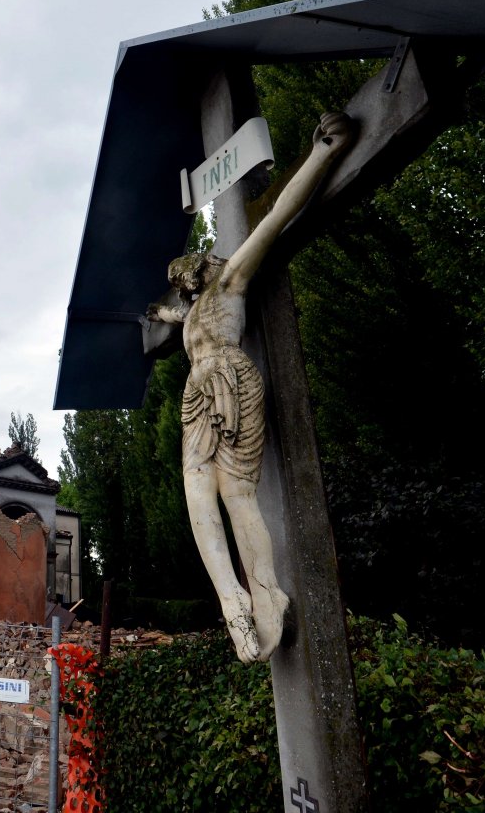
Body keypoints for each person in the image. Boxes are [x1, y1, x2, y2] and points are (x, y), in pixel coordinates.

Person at [148, 111, 355, 662]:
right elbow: (176, 316)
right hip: (198, 391)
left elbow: (275, 219)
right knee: (197, 493)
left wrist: (322, 154)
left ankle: (265, 590)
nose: (183, 283)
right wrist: (162, 316)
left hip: (229, 381)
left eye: (186, 274)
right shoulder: (193, 312)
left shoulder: (232, 281)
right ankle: (231, 599)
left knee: (237, 495)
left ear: (203, 268)